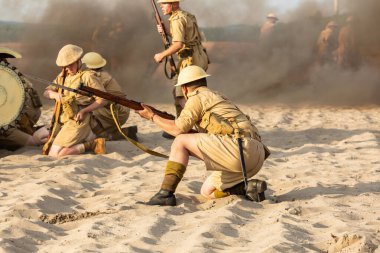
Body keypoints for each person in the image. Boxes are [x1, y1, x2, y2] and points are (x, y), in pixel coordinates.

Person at [137, 66, 268, 206]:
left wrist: (152, 116)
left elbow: (178, 130)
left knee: (180, 141)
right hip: (256, 154)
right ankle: (248, 188)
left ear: (185, 89)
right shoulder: (217, 97)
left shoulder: (197, 98)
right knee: (208, 192)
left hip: (239, 149)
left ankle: (165, 194)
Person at [43, 44, 107, 158]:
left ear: (78, 61)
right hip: (65, 119)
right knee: (47, 148)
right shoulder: (63, 76)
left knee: (56, 154)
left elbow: (102, 100)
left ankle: (91, 144)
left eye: (71, 65)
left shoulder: (88, 76)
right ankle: (88, 136)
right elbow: (46, 92)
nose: (68, 69)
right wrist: (55, 95)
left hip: (79, 120)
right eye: (65, 66)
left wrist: (84, 111)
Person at [154, 0, 209, 119]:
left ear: (174, 5)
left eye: (164, 4)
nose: (161, 7)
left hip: (189, 61)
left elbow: (178, 44)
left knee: (180, 95)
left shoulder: (176, 19)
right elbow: (186, 37)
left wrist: (161, 55)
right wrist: (166, 31)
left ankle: (194, 122)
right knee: (191, 94)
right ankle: (182, 124)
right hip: (198, 58)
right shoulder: (186, 15)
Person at [81, 51, 138, 141]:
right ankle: (126, 133)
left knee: (84, 109)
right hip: (120, 109)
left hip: (116, 111)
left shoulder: (94, 76)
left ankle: (104, 135)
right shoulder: (102, 74)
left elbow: (98, 99)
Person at [0, 47, 48, 150]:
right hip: (29, 120)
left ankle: (35, 140)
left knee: (33, 143)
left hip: (14, 128)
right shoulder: (14, 75)